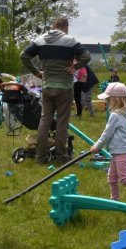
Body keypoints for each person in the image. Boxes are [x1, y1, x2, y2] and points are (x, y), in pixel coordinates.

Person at [20, 17, 90, 164]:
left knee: (44, 121)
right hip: (64, 87)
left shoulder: (40, 40)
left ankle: (40, 157)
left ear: (54, 26)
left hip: (47, 86)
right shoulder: (69, 40)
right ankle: (61, 156)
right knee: (62, 122)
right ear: (65, 27)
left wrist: (37, 72)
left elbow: (24, 55)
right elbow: (86, 56)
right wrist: (75, 67)